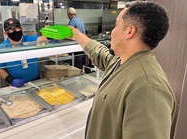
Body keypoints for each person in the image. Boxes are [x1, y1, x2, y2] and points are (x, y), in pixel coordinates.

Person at [68, 1, 176, 139]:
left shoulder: (148, 87)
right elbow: (99, 52)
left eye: (116, 25)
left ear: (130, 31)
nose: (112, 31)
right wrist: (77, 35)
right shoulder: (121, 61)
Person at [0, 18, 48, 87]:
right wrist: (12, 80)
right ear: (5, 33)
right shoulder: (2, 48)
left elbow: (41, 39)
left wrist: (44, 38)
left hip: (36, 81)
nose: (15, 31)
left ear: (22, 29)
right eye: (10, 29)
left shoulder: (29, 39)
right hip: (18, 84)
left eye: (17, 28)